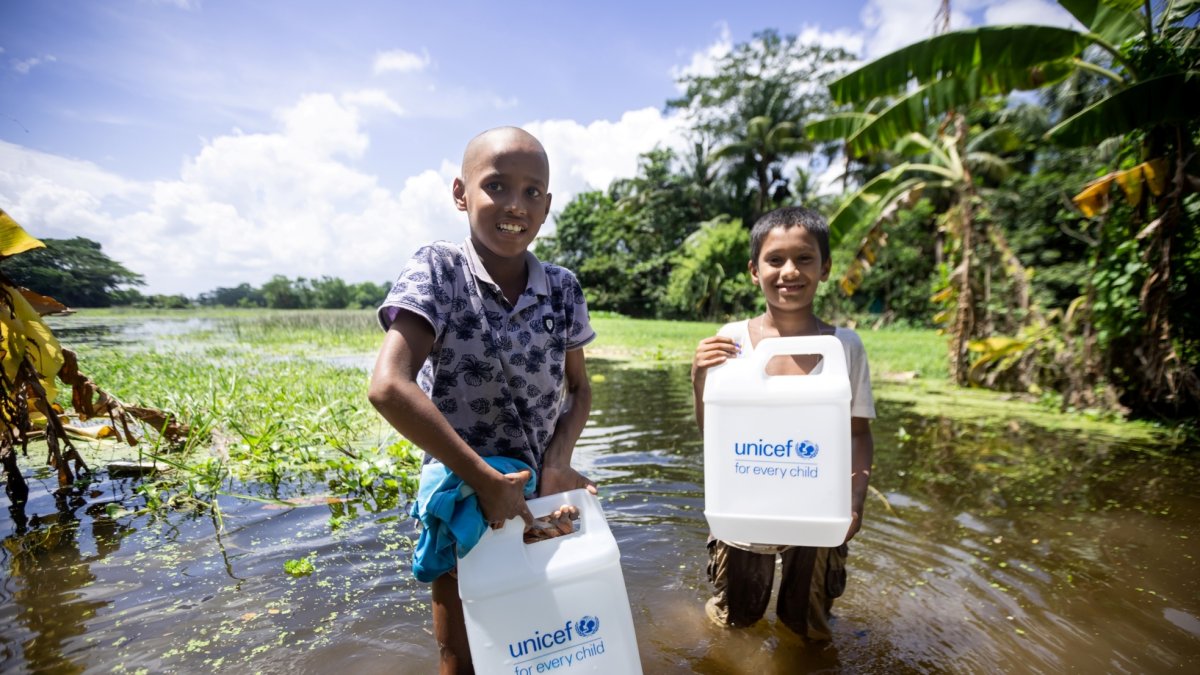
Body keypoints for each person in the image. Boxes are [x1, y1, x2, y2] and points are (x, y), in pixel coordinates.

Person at [368, 126, 597, 674]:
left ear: (546, 206)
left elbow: (580, 388)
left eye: (532, 191)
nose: (515, 205)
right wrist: (483, 482)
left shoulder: (562, 288)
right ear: (460, 193)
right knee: (462, 648)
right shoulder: (439, 271)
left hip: (538, 490)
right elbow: (388, 386)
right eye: (496, 186)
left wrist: (558, 462)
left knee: (542, 638)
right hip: (463, 492)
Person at [690, 206, 876, 641]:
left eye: (804, 259)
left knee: (807, 623)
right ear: (754, 271)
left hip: (818, 508)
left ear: (825, 268)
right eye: (775, 260)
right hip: (745, 503)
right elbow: (713, 436)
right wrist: (698, 377)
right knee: (735, 620)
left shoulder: (844, 346)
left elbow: (859, 434)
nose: (789, 271)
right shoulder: (730, 341)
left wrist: (855, 500)